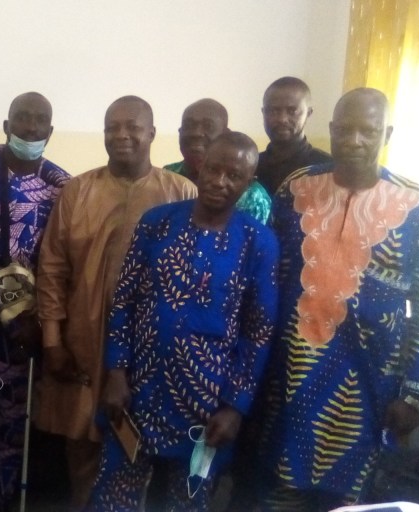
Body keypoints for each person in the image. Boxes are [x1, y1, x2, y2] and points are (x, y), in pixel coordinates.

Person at [257, 88, 419, 510]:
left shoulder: (418, 207)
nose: (354, 141)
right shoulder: (296, 189)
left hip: (368, 381)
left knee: (347, 498)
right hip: (291, 375)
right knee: (279, 490)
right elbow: (271, 277)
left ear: (387, 134)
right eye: (344, 130)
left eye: (368, 131)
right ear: (330, 130)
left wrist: (413, 393)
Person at [88, 132, 279, 511]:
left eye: (234, 176)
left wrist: (235, 407)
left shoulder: (258, 242)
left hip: (206, 402)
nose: (220, 181)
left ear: (249, 183)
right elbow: (125, 299)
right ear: (201, 166)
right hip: (138, 390)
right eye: (214, 169)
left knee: (189, 500)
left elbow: (258, 332)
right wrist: (116, 371)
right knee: (113, 496)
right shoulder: (157, 223)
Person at [35, 95, 197, 509]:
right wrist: (52, 340)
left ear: (152, 133)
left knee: (140, 453)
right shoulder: (78, 191)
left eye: (132, 127)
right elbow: (52, 268)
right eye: (112, 128)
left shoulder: (181, 193)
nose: (121, 135)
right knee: (81, 449)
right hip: (82, 344)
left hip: (152, 353)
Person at [0, 91, 70, 512]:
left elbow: (61, 263)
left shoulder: (62, 187)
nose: (30, 127)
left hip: (19, 324)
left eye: (39, 120)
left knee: (11, 420)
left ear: (50, 130)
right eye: (21, 118)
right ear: (6, 125)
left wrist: (39, 321)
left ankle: (2, 498)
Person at [164, 98, 271, 224]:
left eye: (208, 126)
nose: (196, 133)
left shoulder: (253, 196)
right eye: (189, 125)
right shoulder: (166, 176)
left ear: (226, 134)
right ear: (180, 131)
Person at [255, 76, 332, 195]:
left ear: (308, 113)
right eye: (274, 111)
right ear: (263, 113)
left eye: (292, 111)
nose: (282, 119)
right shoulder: (252, 166)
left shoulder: (326, 169)